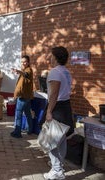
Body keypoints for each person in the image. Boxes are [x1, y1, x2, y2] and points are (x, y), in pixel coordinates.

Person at [43, 46, 74, 180]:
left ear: (55, 57)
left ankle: (57, 171)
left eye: (50, 55)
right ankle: (58, 166)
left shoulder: (54, 72)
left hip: (57, 108)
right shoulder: (66, 71)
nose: (49, 57)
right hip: (65, 106)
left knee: (51, 141)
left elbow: (54, 94)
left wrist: (49, 111)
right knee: (61, 141)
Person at [10, 55, 34, 138]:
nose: (23, 63)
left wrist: (18, 71)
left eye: (25, 62)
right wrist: (19, 72)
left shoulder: (29, 70)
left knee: (18, 114)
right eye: (22, 62)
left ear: (28, 62)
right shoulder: (25, 70)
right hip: (26, 96)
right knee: (27, 113)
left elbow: (25, 74)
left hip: (23, 97)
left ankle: (17, 132)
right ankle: (30, 130)